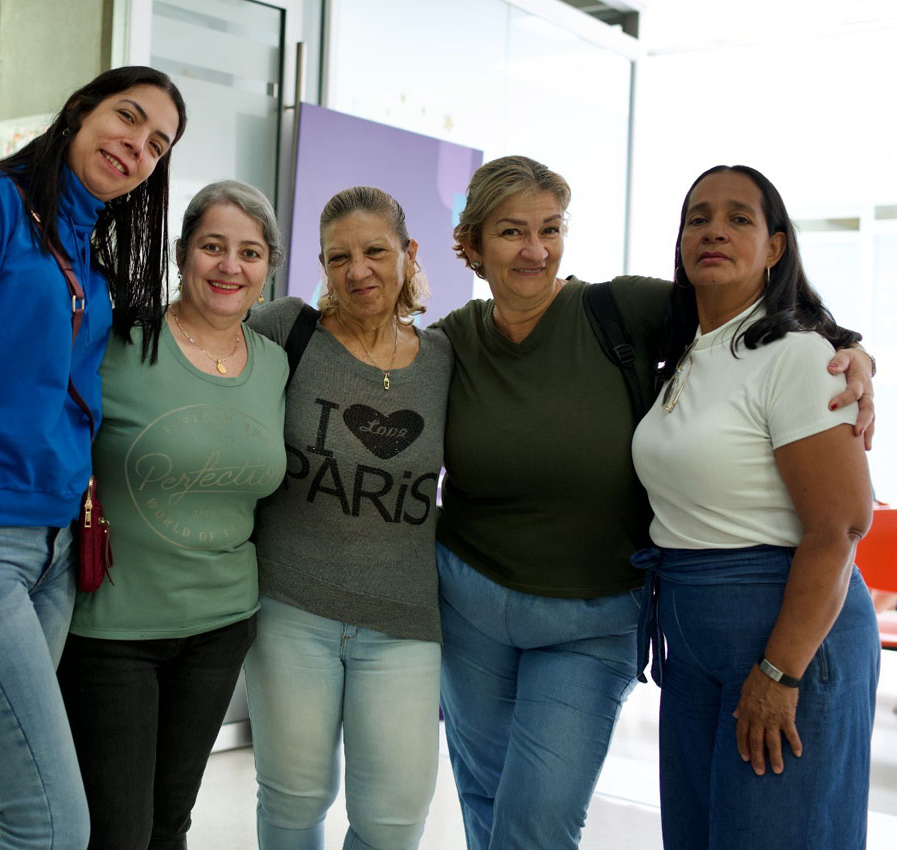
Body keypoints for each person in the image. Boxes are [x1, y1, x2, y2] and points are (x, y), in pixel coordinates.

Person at [433, 155, 875, 850]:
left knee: (547, 816)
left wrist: (854, 355)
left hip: (669, 615)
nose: (535, 249)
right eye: (512, 232)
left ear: (776, 244)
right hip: (649, 622)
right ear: (474, 244)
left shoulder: (629, 311)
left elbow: (842, 517)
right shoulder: (454, 342)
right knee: (510, 797)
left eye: (550, 229)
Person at [0, 67, 186, 850]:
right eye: (128, 117)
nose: (137, 147)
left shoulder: (83, 248)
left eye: (158, 144)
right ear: (80, 108)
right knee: (50, 822)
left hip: (53, 553)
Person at [631, 164, 879, 849]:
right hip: (694, 637)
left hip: (787, 632)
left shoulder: (799, 356)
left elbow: (842, 525)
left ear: (775, 248)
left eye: (739, 218)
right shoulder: (688, 355)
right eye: (698, 217)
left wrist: (780, 670)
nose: (714, 230)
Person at [57, 180, 288, 850]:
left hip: (223, 625)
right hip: (112, 630)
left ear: (267, 266)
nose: (229, 266)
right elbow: (31, 404)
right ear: (183, 252)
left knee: (170, 825)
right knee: (118, 833)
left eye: (248, 252)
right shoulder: (120, 340)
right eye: (213, 246)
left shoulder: (275, 364)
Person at [244, 186, 452, 850]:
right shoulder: (285, 329)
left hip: (404, 622)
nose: (358, 270)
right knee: (294, 800)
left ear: (408, 252)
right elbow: (186, 360)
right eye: (339, 258)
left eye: (375, 251)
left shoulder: (447, 358)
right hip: (290, 611)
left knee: (394, 820)